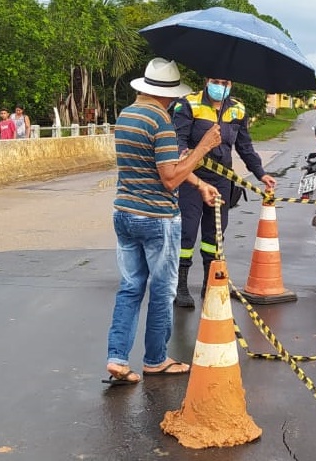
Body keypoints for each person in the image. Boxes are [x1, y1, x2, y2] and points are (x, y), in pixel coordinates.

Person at [104, 58, 222, 385]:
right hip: (157, 218)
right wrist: (203, 147)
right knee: (162, 290)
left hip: (125, 213)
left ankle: (117, 358)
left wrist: (198, 183)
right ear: (167, 94)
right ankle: (156, 360)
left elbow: (158, 165)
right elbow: (169, 179)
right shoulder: (161, 122)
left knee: (130, 287)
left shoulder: (127, 116)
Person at [171, 77, 276, 308]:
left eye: (225, 82)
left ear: (231, 84)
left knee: (215, 235)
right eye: (216, 81)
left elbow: (245, 146)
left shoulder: (237, 109)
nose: (220, 86)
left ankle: (210, 284)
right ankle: (180, 286)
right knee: (187, 232)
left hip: (221, 179)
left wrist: (260, 173)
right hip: (191, 178)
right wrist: (185, 153)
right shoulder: (189, 104)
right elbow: (178, 140)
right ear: (207, 81)